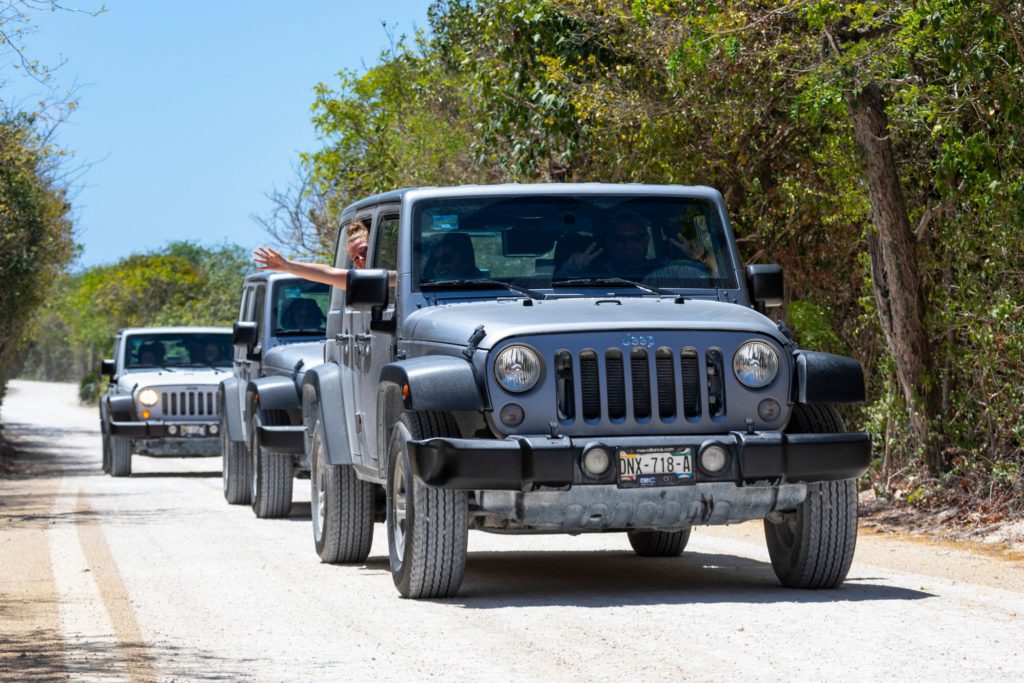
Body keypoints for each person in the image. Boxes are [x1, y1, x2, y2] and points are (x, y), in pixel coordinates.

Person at [253, 222, 370, 288]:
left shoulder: (385, 274)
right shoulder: (362, 280)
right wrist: (285, 265)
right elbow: (329, 273)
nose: (361, 258)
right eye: (355, 258)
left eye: (365, 250)